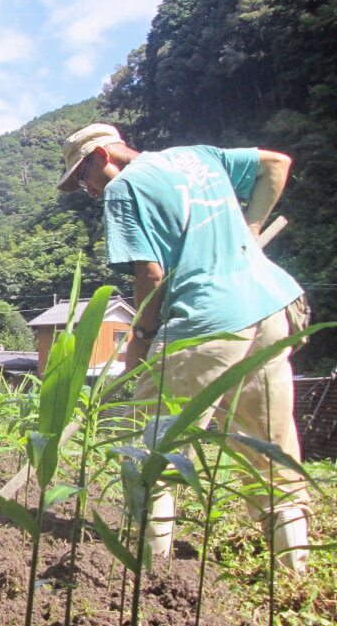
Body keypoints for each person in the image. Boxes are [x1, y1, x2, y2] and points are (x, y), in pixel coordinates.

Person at [57, 123, 310, 572]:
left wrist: (140, 339)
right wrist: (250, 231)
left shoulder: (124, 188)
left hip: (206, 321)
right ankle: (295, 574)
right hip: (270, 309)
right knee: (270, 448)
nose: (87, 191)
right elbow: (276, 164)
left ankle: (145, 575)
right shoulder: (193, 155)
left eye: (82, 178)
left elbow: (151, 276)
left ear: (101, 156)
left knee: (153, 453)